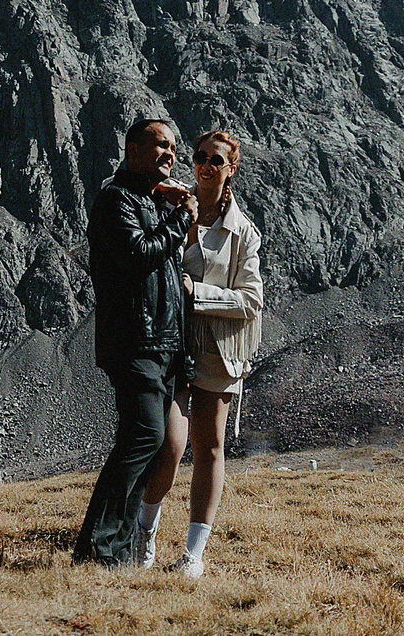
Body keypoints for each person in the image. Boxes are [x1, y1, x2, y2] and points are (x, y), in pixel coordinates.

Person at [138, 128, 264, 577]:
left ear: (231, 169)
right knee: (168, 443)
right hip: (170, 342)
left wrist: (200, 293)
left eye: (216, 160)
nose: (206, 166)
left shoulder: (243, 232)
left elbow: (251, 299)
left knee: (208, 447)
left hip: (217, 349)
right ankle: (144, 535)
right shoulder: (172, 204)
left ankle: (193, 554)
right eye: (200, 157)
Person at [70, 116, 193, 566]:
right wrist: (181, 218)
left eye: (174, 148)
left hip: (160, 344)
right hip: (134, 341)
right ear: (133, 150)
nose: (170, 155)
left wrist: (168, 207)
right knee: (144, 434)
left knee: (152, 442)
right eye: (160, 145)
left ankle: (114, 551)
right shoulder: (114, 201)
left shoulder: (146, 200)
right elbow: (138, 255)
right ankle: (97, 549)